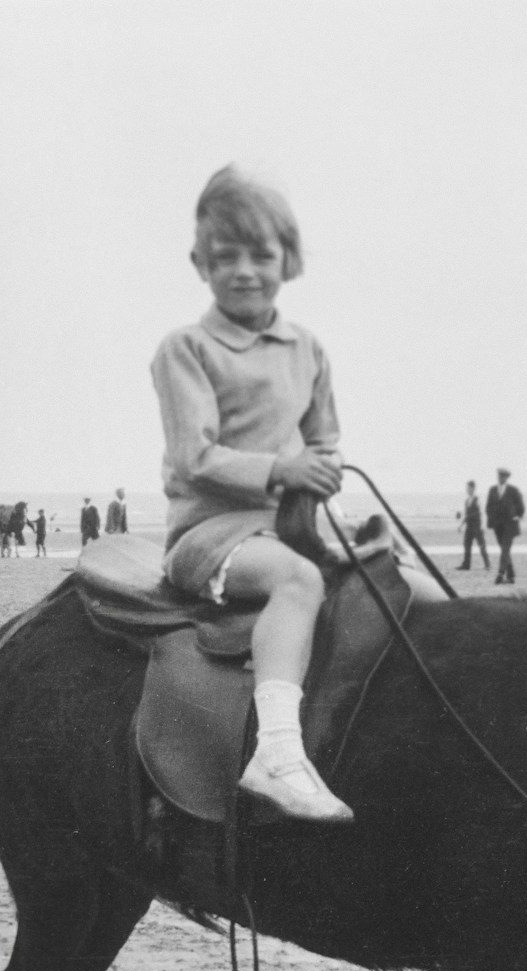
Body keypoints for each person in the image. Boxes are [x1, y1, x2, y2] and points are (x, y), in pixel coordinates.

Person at [154, 166, 391, 821]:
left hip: (289, 522)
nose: (245, 270)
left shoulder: (306, 348)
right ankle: (277, 753)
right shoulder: (187, 349)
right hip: (212, 532)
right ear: (199, 263)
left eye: (262, 254)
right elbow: (195, 456)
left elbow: (324, 440)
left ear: (289, 261)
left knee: (399, 586)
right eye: (225, 257)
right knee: (298, 583)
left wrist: (319, 473)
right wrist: (283, 472)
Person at [485, 466, 524, 585]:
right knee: (504, 550)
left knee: (505, 549)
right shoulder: (492, 490)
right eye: (499, 475)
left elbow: (520, 506)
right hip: (497, 525)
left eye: (503, 476)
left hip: (510, 525)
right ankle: (511, 576)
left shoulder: (513, 490)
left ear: (507, 477)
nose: (501, 478)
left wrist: (517, 516)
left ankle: (500, 574)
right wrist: (491, 518)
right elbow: (488, 507)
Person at [457, 480, 490, 570]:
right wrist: (461, 525)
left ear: (473, 488)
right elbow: (466, 515)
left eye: (468, 488)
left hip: (477, 527)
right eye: (466, 488)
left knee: (481, 545)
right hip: (469, 527)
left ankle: (487, 564)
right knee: (466, 545)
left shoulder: (478, 499)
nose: (467, 490)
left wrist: (483, 526)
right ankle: (466, 565)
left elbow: (481, 513)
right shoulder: (467, 501)